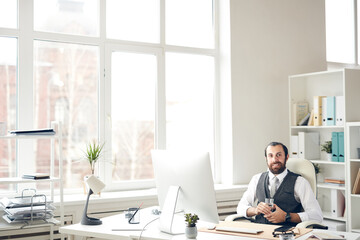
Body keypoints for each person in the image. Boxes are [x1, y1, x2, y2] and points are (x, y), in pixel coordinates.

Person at [237, 142, 323, 226]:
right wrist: (255, 210)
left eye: (279, 155)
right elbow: (240, 207)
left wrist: (287, 216)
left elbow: (317, 215)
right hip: (260, 231)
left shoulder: (300, 182)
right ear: (266, 158)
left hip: (286, 233)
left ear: (287, 157)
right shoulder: (256, 179)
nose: (275, 160)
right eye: (270, 156)